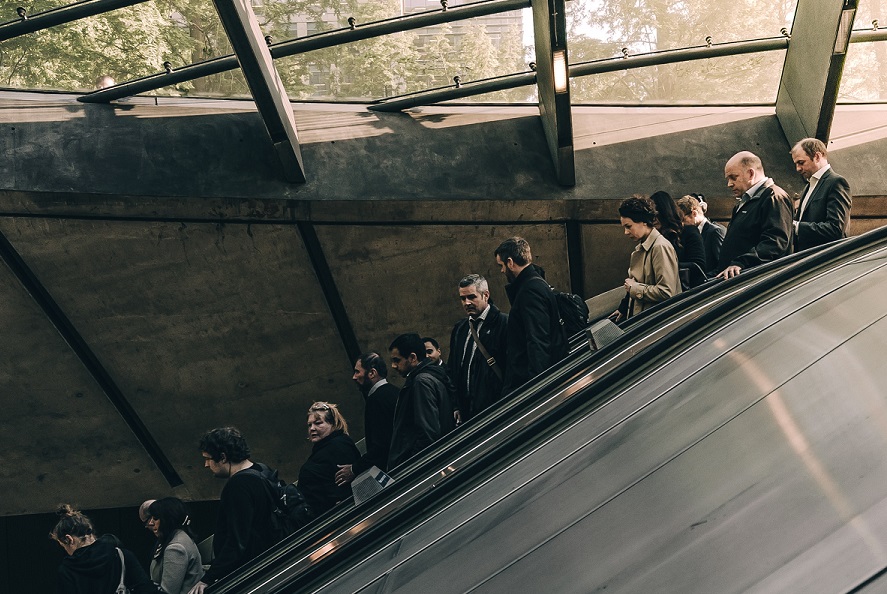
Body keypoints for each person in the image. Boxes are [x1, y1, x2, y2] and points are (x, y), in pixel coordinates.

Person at [189, 427, 280, 594]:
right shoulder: (261, 470)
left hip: (250, 571)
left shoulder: (239, 486)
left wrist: (207, 579)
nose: (206, 464)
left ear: (223, 457)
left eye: (208, 459)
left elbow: (237, 541)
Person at [494, 237, 568, 395]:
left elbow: (538, 341)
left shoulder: (529, 292)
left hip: (527, 382)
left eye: (501, 266)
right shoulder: (537, 283)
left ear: (510, 262)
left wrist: (536, 389)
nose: (501, 271)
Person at [715, 151, 794, 280]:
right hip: (741, 279)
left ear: (751, 173)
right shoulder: (744, 202)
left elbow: (776, 242)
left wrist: (742, 263)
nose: (729, 184)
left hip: (757, 281)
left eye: (733, 177)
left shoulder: (774, 197)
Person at [50, 504, 155, 594]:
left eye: (64, 547)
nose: (67, 552)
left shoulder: (67, 570)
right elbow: (146, 590)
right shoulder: (121, 556)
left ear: (69, 539)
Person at [387, 333, 456, 470]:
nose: (393, 366)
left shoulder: (421, 382)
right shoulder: (430, 376)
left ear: (412, 358)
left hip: (418, 465)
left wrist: (410, 465)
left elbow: (428, 432)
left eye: (397, 360)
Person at [447, 274, 508, 423]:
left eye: (472, 297)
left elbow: (512, 366)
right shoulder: (460, 329)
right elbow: (453, 369)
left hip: (495, 407)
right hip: (466, 410)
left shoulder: (503, 323)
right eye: (463, 298)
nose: (466, 303)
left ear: (485, 295)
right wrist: (455, 405)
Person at [610, 195, 682, 321]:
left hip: (656, 323)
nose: (626, 232)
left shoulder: (660, 247)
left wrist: (634, 288)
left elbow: (666, 292)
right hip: (647, 320)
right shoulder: (643, 247)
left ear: (643, 222)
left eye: (629, 226)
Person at [335, 353, 398, 487]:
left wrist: (354, 469)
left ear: (372, 373)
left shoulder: (376, 400)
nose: (354, 377)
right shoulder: (394, 391)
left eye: (357, 372)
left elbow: (380, 446)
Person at [790, 138, 852, 251]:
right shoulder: (808, 186)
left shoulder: (836, 182)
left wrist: (796, 227)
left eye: (801, 162)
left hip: (825, 260)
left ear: (817, 157)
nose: (798, 169)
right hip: (806, 258)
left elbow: (836, 230)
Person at [301, 402, 360, 512]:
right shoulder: (324, 448)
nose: (312, 428)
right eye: (309, 425)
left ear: (332, 424)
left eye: (318, 423)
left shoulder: (338, 447)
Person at [146, 497, 204, 594]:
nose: (151, 523)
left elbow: (167, 592)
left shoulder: (176, 548)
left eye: (155, 518)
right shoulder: (181, 536)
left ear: (167, 519)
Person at [650, 190, 706, 288]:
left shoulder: (689, 232)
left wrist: (665, 265)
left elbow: (698, 266)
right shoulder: (654, 236)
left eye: (656, 215)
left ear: (664, 213)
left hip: (686, 291)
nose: (653, 220)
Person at [676, 194, 726, 277]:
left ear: (694, 213)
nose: (682, 224)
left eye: (683, 219)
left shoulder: (715, 231)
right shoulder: (691, 233)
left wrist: (704, 279)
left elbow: (722, 264)